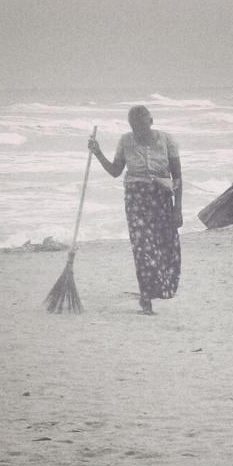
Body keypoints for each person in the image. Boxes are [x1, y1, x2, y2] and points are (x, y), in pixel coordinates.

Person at [89, 105, 183, 314]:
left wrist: (178, 209)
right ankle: (146, 296)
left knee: (166, 247)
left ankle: (158, 289)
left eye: (142, 125)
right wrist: (97, 153)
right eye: (134, 127)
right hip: (136, 198)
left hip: (162, 198)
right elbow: (115, 171)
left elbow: (177, 177)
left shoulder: (167, 141)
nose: (139, 130)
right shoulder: (125, 140)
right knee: (142, 248)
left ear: (151, 122)